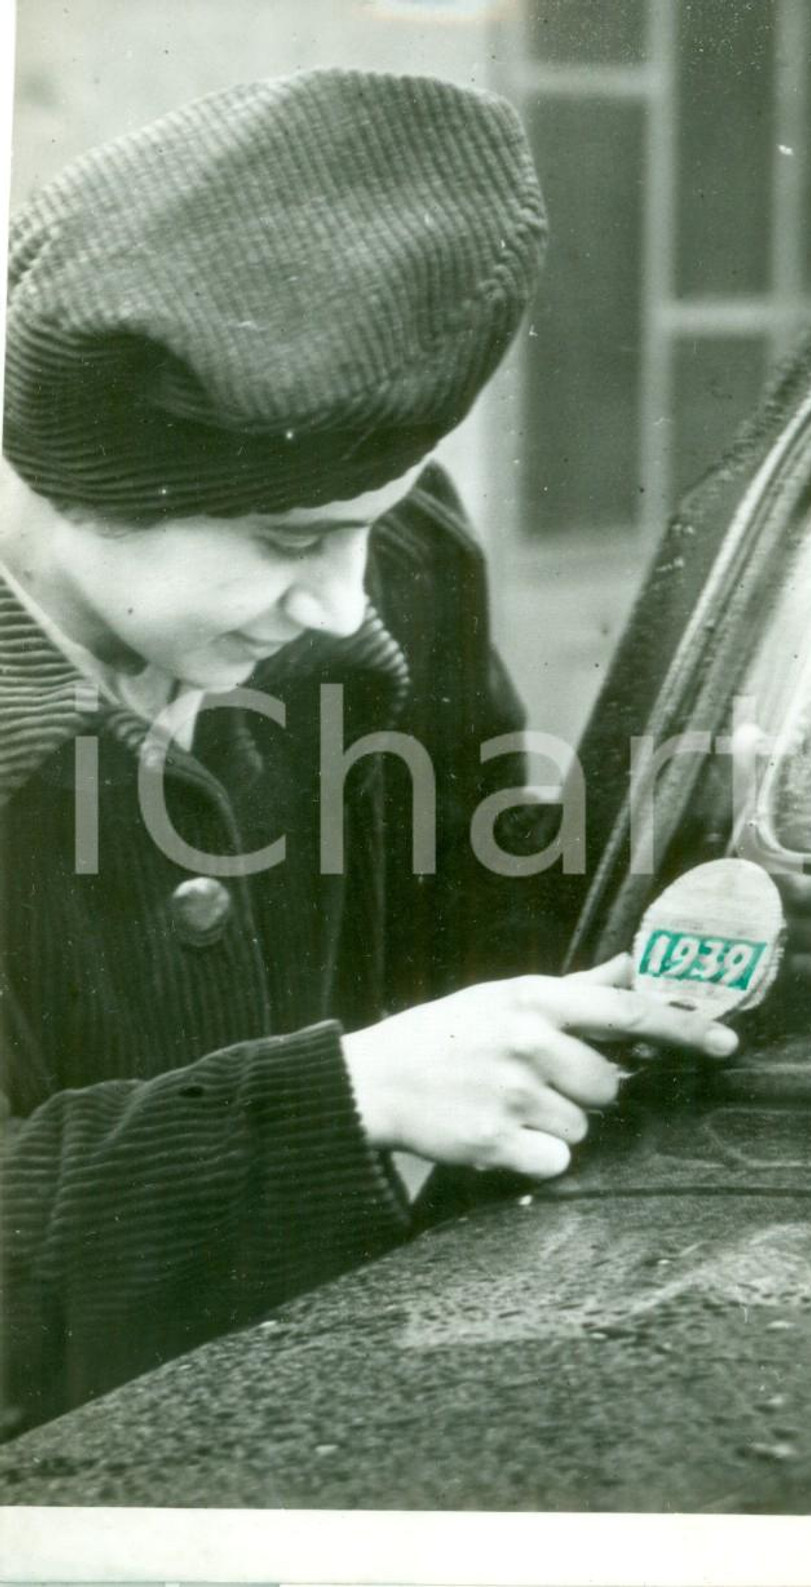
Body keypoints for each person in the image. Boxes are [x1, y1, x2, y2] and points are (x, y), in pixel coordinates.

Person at [0, 67, 743, 1436]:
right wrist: (343, 1102)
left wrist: (690, 935)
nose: (347, 602)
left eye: (373, 519)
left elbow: (478, 919)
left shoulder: (398, 561)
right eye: (292, 542)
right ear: (77, 485)